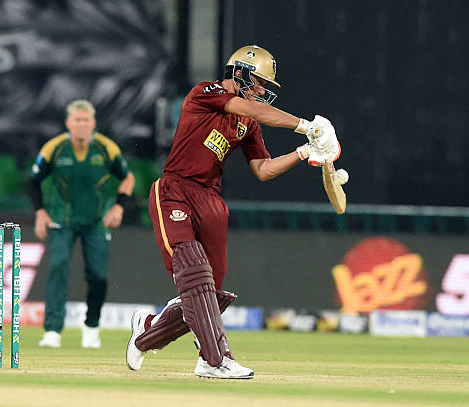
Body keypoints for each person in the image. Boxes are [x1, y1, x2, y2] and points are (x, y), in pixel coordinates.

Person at [125, 45, 341, 378]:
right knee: (195, 275)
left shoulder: (248, 122)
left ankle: (148, 332)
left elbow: (263, 169)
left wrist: (303, 152)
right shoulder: (205, 92)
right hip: (175, 191)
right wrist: (306, 126)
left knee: (210, 295)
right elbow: (250, 108)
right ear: (238, 73)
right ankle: (217, 359)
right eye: (258, 83)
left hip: (211, 202)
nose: (262, 91)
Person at [28, 99, 135, 349]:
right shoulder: (54, 148)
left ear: (93, 123)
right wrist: (40, 212)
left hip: (96, 221)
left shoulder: (106, 148)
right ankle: (52, 330)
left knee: (98, 276)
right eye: (77, 120)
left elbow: (128, 178)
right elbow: (32, 181)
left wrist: (119, 206)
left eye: (86, 120)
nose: (82, 124)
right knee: (58, 268)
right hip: (61, 219)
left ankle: (91, 327)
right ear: (68, 123)